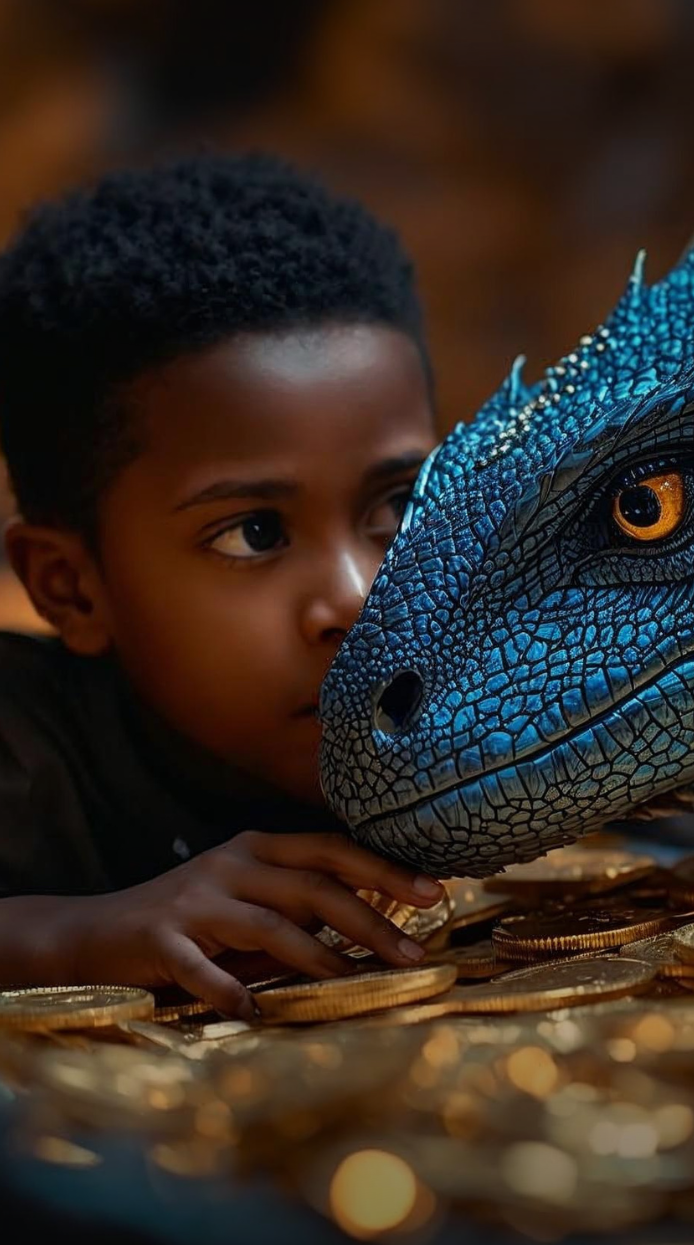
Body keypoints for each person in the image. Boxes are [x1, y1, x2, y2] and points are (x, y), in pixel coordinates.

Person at [0, 151, 445, 1018]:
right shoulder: (22, 755)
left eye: (397, 507)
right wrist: (71, 935)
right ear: (72, 589)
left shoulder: (519, 687)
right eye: (256, 534)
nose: (356, 599)